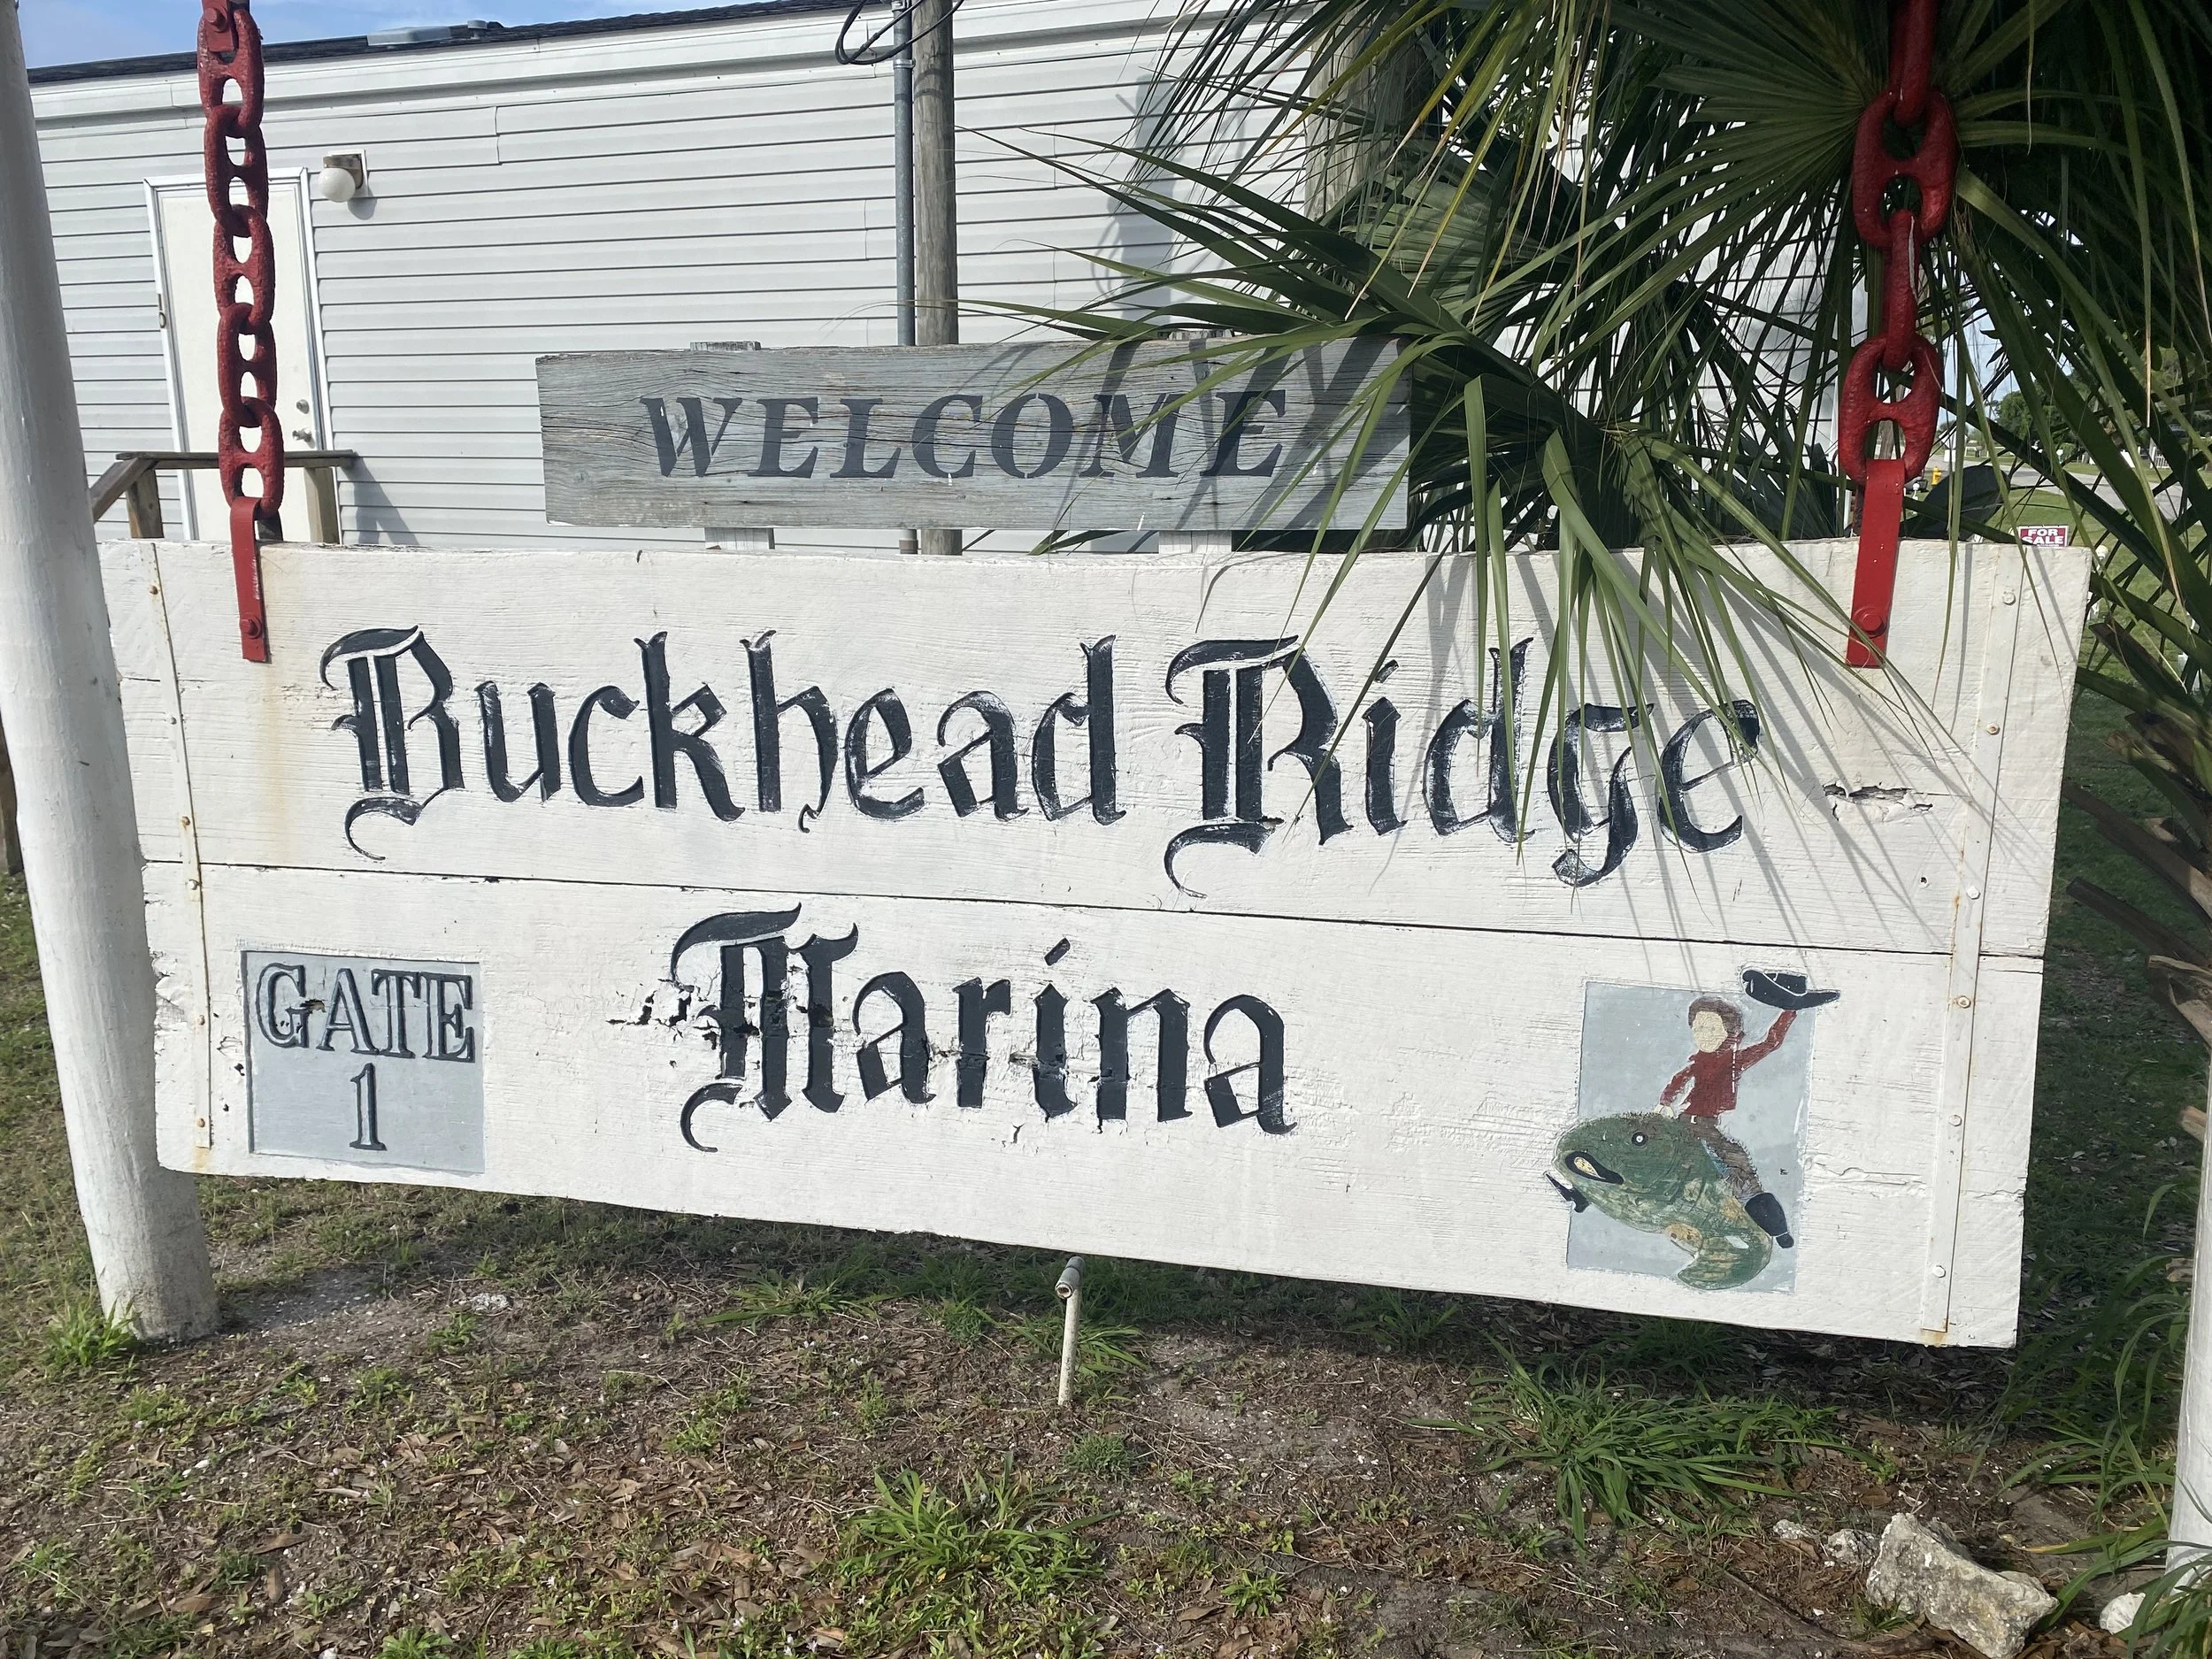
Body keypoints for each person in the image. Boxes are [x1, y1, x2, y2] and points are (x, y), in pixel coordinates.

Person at [1657, 995, 1795, 1248]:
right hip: (1682, 1125)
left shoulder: (1733, 1061)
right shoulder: (1697, 1062)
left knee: (1737, 1169)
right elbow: (1678, 1081)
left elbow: (1771, 1043)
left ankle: (1776, 1229)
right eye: (1698, 1028)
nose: (1703, 1034)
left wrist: (1789, 1010)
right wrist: (1666, 1102)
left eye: (1711, 1028)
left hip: (1705, 1129)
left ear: (1730, 1032)